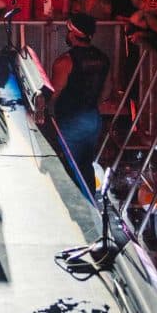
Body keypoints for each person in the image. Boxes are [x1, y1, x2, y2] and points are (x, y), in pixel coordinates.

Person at [50, 12, 110, 192]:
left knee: (70, 171)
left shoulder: (64, 62)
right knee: (85, 167)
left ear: (73, 33)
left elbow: (53, 94)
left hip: (71, 121)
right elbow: (108, 90)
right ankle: (89, 203)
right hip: (93, 118)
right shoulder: (103, 58)